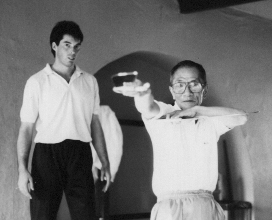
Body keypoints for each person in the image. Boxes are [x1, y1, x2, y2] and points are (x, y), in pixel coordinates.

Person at [118, 60, 248, 220]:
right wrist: (141, 93)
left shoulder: (211, 121)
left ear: (204, 90)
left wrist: (197, 110)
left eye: (194, 84)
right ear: (172, 91)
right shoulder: (165, 113)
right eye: (180, 85)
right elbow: (147, 107)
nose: (187, 92)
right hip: (169, 208)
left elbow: (241, 117)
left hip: (204, 206)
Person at [17, 20, 111, 220]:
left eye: (76, 47)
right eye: (67, 45)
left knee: (87, 215)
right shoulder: (37, 82)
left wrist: (105, 161)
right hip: (47, 154)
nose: (72, 52)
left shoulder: (89, 81)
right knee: (43, 214)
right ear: (54, 46)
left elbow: (95, 124)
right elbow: (26, 128)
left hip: (80, 153)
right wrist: (22, 169)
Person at [91, 105, 123, 220]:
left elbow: (115, 141)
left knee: (100, 206)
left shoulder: (105, 112)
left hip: (101, 167)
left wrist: (108, 168)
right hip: (84, 165)